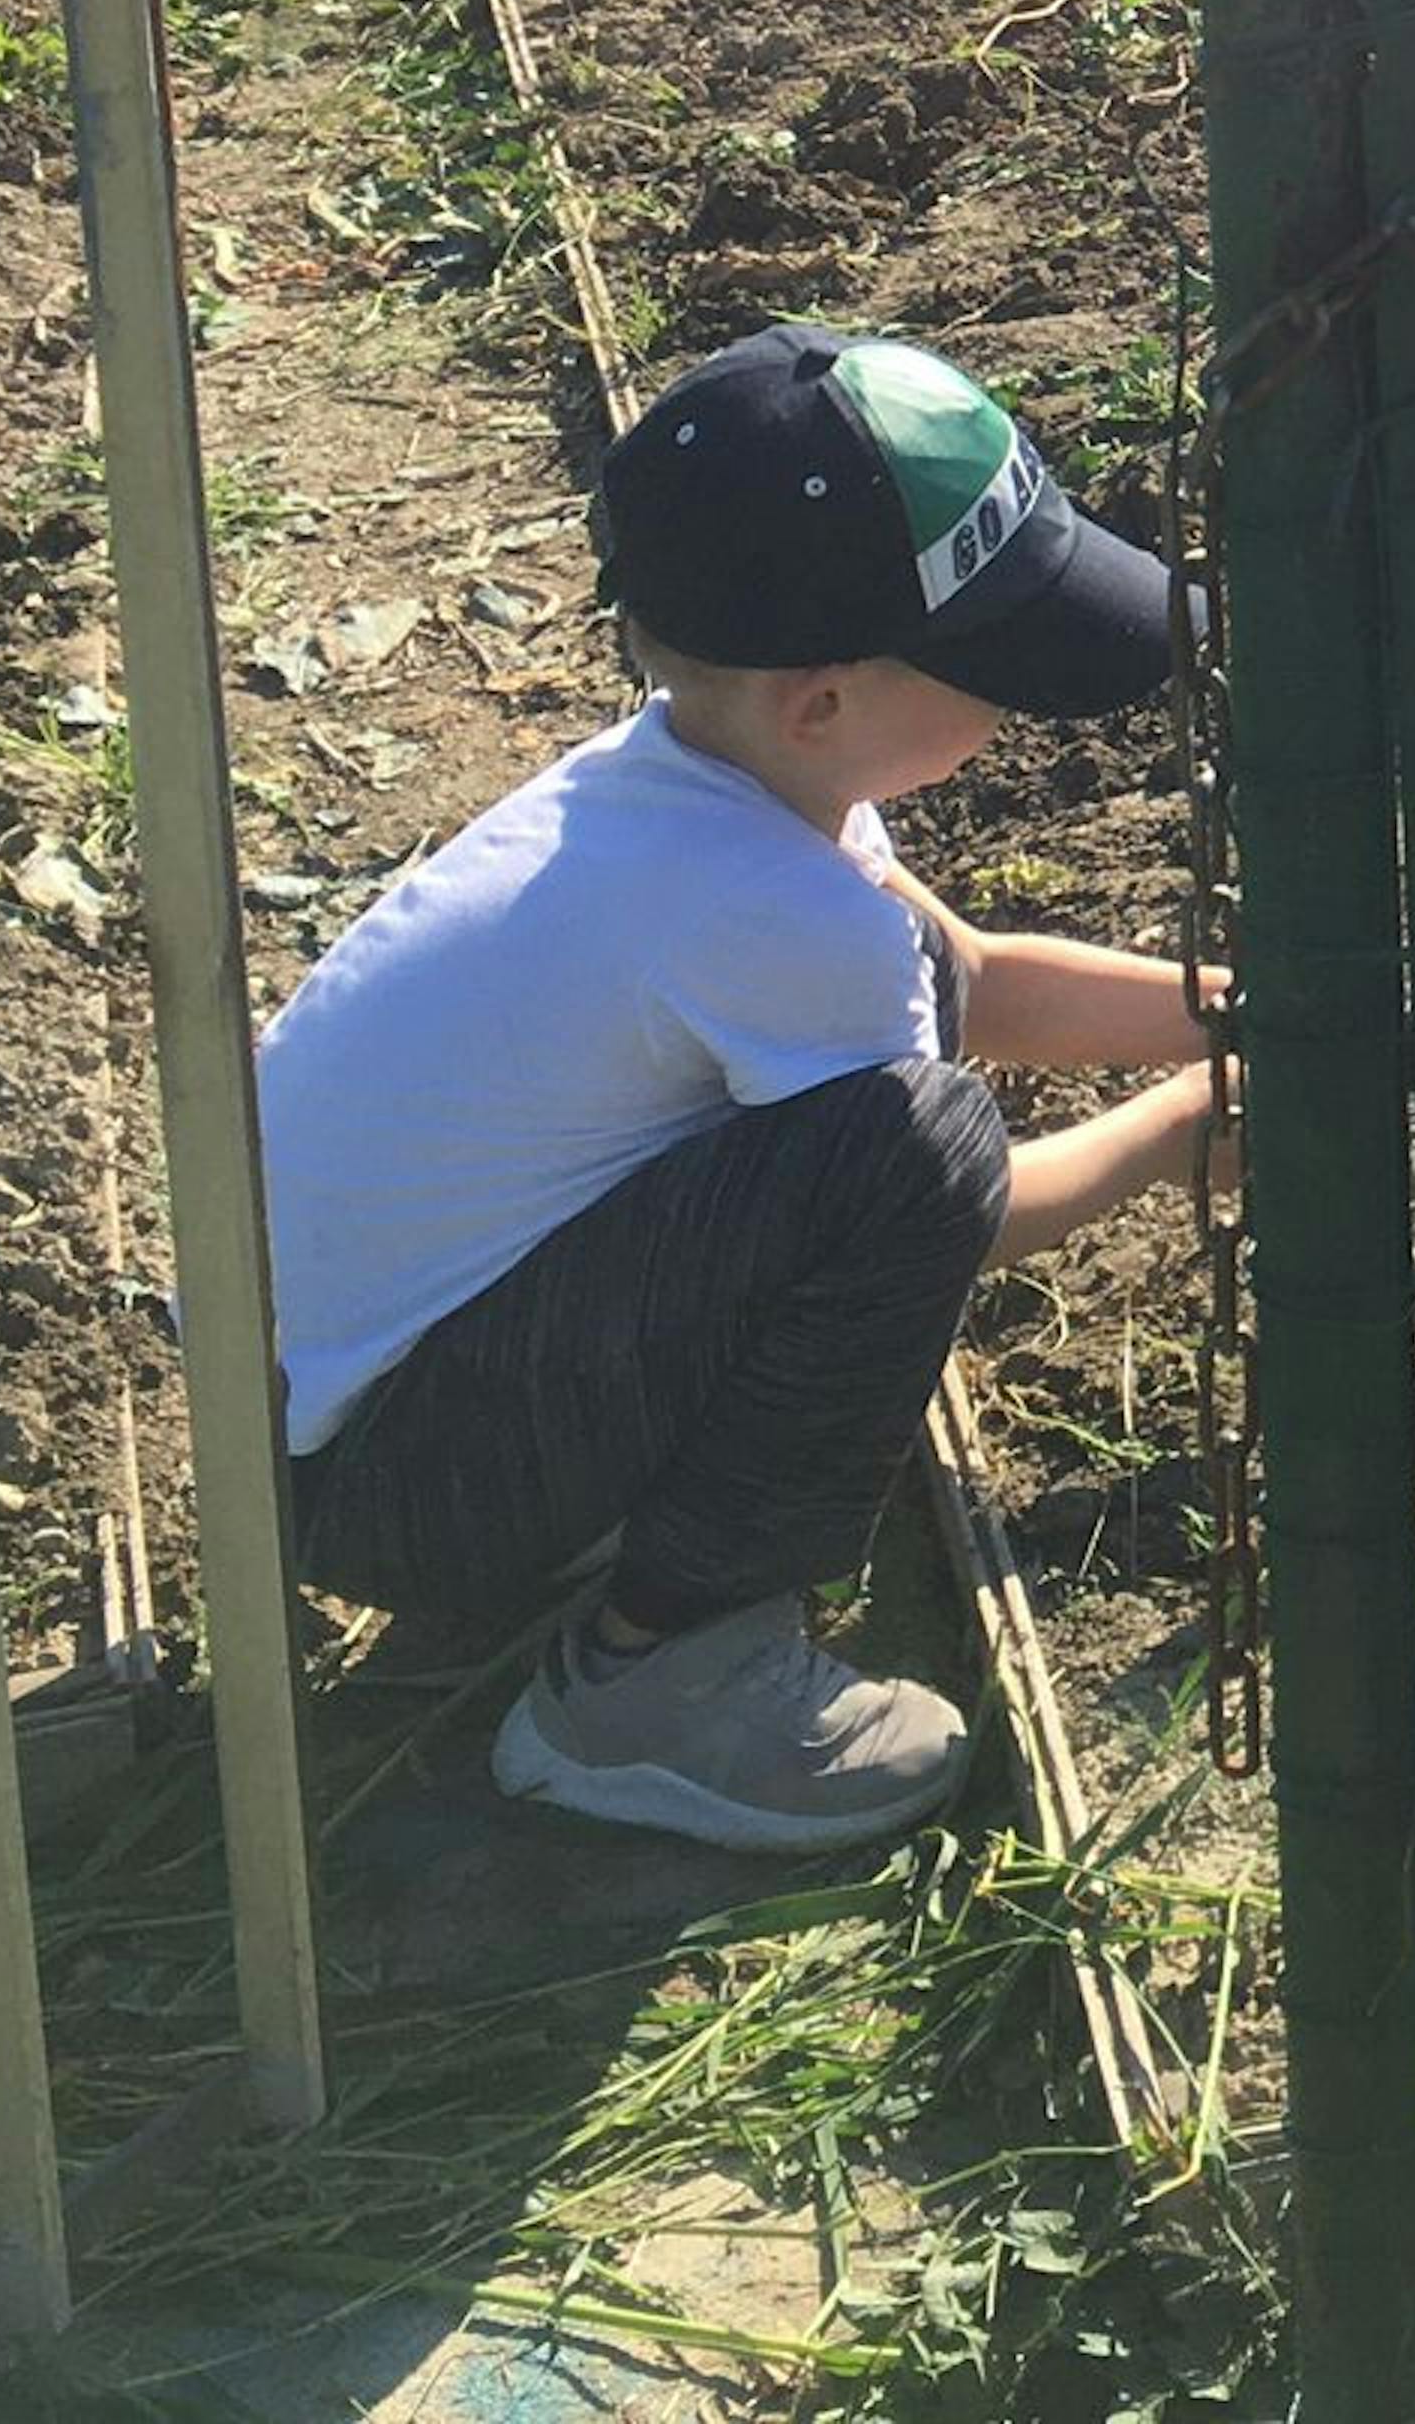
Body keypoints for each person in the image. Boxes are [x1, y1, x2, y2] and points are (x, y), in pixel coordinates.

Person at [261, 327, 1228, 1849]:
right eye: (991, 664)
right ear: (825, 703)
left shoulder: (691, 792)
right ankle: (650, 1683)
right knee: (913, 1151)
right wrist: (1185, 1133)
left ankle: (599, 1545)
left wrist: (1230, 1021)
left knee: (890, 1125)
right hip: (399, 1487)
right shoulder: (775, 909)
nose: (1019, 702)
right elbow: (943, 1212)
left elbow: (964, 977)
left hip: (328, 1419)